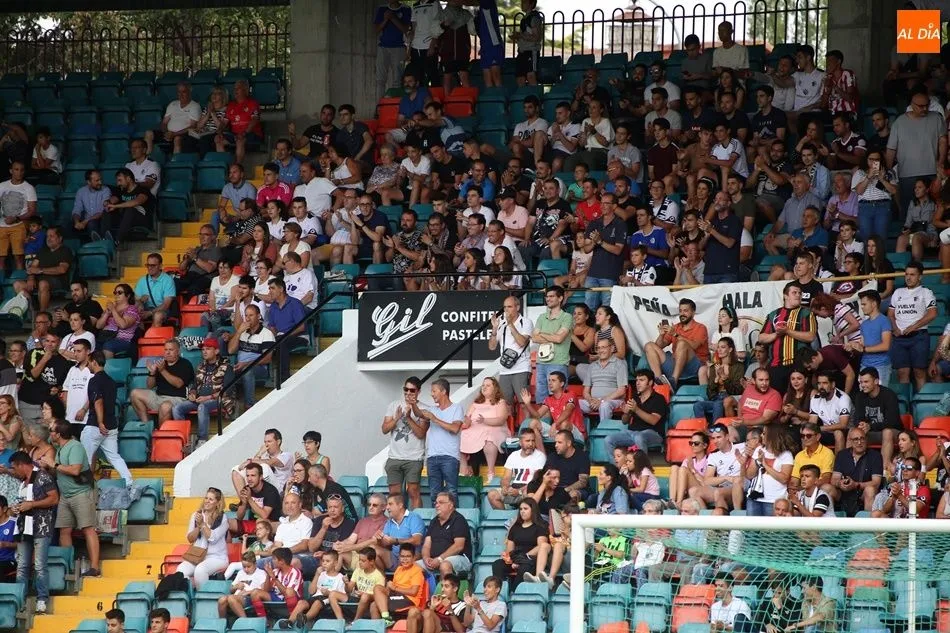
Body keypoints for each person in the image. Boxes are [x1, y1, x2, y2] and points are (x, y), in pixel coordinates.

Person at [886, 87, 946, 221]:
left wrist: (940, 163)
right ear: (911, 104)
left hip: (931, 172)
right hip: (907, 174)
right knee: (908, 212)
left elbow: (943, 141)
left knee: (932, 212)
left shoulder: (937, 118)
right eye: (920, 106)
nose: (924, 109)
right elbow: (891, 149)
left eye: (927, 105)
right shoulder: (899, 122)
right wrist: (888, 172)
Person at [10, 450, 57, 613]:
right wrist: (17, 508)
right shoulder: (23, 482)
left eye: (14, 468)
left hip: (41, 527)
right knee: (22, 565)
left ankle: (42, 599)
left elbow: (54, 498)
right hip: (24, 527)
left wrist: (32, 504)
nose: (13, 472)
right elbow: (23, 502)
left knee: (39, 565)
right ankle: (19, 601)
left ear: (22, 465)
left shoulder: (43, 476)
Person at [51, 419, 100, 576]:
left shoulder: (75, 446)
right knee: (64, 530)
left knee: (88, 528)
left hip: (81, 493)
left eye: (52, 431)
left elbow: (75, 470)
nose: (50, 433)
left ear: (58, 434)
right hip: (65, 496)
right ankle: (69, 567)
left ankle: (94, 567)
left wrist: (54, 465)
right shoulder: (60, 447)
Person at [82, 351, 133, 485]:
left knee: (85, 458)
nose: (87, 366)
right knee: (114, 457)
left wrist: (100, 422)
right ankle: (129, 481)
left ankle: (86, 486)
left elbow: (98, 401)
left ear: (94, 362)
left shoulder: (94, 380)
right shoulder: (111, 381)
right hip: (111, 425)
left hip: (95, 425)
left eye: (88, 363)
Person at [408, 378, 463, 505]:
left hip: (450, 457)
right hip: (432, 457)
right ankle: (437, 517)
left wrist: (435, 419)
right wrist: (413, 404)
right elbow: (419, 414)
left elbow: (455, 429)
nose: (431, 394)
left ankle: (454, 517)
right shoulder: (432, 409)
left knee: (451, 492)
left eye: (434, 391)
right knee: (434, 494)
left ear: (443, 391)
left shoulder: (456, 408)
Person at [171, 338, 233, 446]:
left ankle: (202, 440)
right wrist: (193, 393)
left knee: (202, 407)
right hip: (199, 399)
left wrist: (208, 397)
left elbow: (227, 390)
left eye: (208, 349)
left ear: (216, 351)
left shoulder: (226, 367)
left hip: (218, 400)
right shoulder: (200, 367)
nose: (204, 351)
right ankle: (184, 440)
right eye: (203, 349)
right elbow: (195, 385)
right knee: (176, 408)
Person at [759, 283, 817, 392]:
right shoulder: (773, 314)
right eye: (794, 292)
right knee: (777, 398)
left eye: (800, 293)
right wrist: (777, 334)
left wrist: (787, 331)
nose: (798, 295)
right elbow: (761, 338)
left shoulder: (806, 313)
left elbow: (811, 336)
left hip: (798, 366)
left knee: (797, 397)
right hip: (776, 366)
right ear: (785, 296)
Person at [888, 262, 937, 390]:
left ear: (920, 276)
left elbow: (932, 313)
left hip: (919, 336)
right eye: (906, 274)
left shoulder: (926, 292)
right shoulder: (898, 292)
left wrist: (913, 327)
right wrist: (895, 328)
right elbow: (890, 314)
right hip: (899, 338)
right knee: (902, 372)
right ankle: (905, 402)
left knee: (919, 372)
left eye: (912, 275)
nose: (908, 278)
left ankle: (920, 401)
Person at [644, 299, 710, 389]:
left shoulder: (701, 327)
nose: (682, 314)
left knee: (682, 343)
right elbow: (658, 346)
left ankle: (673, 381)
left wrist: (675, 334)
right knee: (649, 345)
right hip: (676, 364)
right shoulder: (676, 327)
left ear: (693, 312)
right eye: (680, 311)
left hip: (694, 367)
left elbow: (694, 346)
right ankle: (659, 382)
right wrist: (661, 335)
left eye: (685, 311)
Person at [129, 340, 195, 426]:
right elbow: (150, 386)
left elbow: (179, 384)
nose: (167, 352)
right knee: (134, 393)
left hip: (177, 399)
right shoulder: (161, 363)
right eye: (166, 350)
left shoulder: (185, 364)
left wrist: (162, 370)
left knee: (165, 406)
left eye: (171, 350)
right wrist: (152, 373)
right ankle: (147, 425)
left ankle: (161, 432)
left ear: (178, 351)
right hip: (159, 397)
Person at [604, 369, 669, 454]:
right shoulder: (635, 398)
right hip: (632, 432)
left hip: (653, 433)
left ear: (650, 383)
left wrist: (636, 409)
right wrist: (626, 413)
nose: (638, 383)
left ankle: (641, 462)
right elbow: (624, 421)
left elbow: (653, 420)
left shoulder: (659, 398)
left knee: (639, 437)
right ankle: (616, 463)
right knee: (609, 439)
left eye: (641, 380)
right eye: (637, 380)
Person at [492, 497, 550, 588]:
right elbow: (510, 549)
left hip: (531, 559)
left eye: (525, 509)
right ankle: (501, 591)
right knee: (497, 564)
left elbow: (541, 546)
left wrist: (522, 559)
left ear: (533, 510)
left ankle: (515, 592)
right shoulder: (515, 527)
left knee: (525, 567)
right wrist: (511, 560)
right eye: (521, 509)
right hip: (516, 557)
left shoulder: (541, 526)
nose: (522, 511)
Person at [459, 377, 509, 482]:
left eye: (488, 385)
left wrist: (485, 420)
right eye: (483, 385)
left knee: (489, 439)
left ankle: (491, 472)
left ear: (495, 388)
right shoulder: (475, 403)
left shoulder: (500, 402)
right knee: (460, 436)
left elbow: (501, 420)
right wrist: (465, 420)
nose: (484, 387)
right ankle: (464, 469)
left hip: (495, 428)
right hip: (475, 429)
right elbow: (468, 418)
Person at [688, 423, 744, 514]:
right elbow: (707, 480)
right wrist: (726, 478)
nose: (715, 441)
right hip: (723, 486)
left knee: (719, 492)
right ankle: (706, 517)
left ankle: (730, 517)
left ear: (727, 437)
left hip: (739, 485)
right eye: (713, 438)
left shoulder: (742, 447)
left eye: (718, 437)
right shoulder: (713, 455)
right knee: (693, 491)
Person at [179, 487, 229, 588]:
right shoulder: (196, 515)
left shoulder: (222, 518)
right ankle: (191, 592)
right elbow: (190, 539)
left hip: (217, 557)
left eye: (211, 499)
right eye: (206, 498)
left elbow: (213, 539)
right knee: (180, 572)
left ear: (218, 503)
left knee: (200, 570)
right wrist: (198, 527)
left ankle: (202, 596)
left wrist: (203, 524)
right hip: (197, 556)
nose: (207, 501)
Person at [487, 427, 546, 511]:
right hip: (514, 488)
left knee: (530, 496)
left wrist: (519, 491)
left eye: (533, 441)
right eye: (527, 441)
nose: (531, 444)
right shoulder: (513, 455)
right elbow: (506, 477)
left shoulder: (540, 456)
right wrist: (505, 487)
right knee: (492, 495)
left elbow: (536, 481)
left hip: (529, 489)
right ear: (520, 442)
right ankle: (505, 517)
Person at [532, 286, 573, 403]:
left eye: (551, 296)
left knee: (559, 400)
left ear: (560, 298)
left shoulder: (567, 317)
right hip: (541, 362)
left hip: (558, 362)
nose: (548, 299)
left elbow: (559, 339)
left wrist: (542, 334)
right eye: (547, 296)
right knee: (541, 399)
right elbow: (534, 338)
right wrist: (552, 336)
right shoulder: (541, 317)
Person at [519, 371, 585, 444]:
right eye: (549, 380)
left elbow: (567, 411)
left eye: (553, 380)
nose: (550, 383)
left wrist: (555, 424)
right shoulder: (548, 400)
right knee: (534, 423)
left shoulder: (570, 394)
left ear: (561, 384)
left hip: (575, 433)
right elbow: (537, 416)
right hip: (557, 431)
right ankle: (541, 451)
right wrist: (528, 404)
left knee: (564, 424)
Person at [19, 333, 70, 425]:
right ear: (43, 342)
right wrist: (45, 358)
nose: (49, 344)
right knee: (28, 432)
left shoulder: (63, 362)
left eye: (53, 342)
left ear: (59, 343)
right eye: (47, 341)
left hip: (47, 406)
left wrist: (57, 389)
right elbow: (32, 375)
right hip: (28, 403)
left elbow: (61, 385)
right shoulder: (34, 353)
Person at [372, 543, 427, 627]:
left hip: (409, 599)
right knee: (376, 592)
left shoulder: (417, 571)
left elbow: (413, 592)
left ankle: (386, 620)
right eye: (402, 556)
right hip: (397, 596)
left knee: (376, 605)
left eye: (408, 556)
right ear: (399, 557)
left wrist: (394, 588)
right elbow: (391, 590)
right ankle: (382, 625)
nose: (405, 559)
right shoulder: (398, 569)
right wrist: (387, 589)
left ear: (414, 557)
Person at [694, 337, 744, 423]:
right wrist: (716, 380)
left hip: (729, 397)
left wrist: (723, 376)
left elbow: (737, 390)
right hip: (716, 398)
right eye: (718, 347)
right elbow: (710, 393)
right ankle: (703, 428)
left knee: (717, 404)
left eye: (723, 347)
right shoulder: (714, 367)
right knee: (697, 405)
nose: (719, 350)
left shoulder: (738, 366)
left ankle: (716, 428)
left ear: (730, 349)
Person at [227, 461, 282, 537]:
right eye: (247, 476)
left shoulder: (270, 491)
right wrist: (243, 503)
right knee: (227, 523)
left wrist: (250, 499)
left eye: (253, 475)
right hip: (253, 524)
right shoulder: (247, 489)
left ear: (261, 477)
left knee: (260, 521)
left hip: (270, 524)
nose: (249, 479)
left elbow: (264, 515)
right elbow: (239, 517)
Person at [0, 161, 37, 272]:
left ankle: (19, 279)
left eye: (22, 170)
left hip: (19, 225)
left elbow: (32, 211)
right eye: (16, 169)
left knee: (19, 257)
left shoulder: (29, 188)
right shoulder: (2, 186)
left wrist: (16, 218)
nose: (19, 172)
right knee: (1, 258)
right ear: (11, 171)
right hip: (1, 226)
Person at [579, 338, 628, 422]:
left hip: (613, 400)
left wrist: (601, 400)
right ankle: (579, 429)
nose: (600, 350)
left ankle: (603, 429)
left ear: (612, 348)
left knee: (604, 405)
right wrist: (591, 400)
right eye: (598, 348)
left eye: (603, 347)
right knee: (574, 404)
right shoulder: (592, 366)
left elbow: (621, 391)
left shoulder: (620, 365)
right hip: (593, 401)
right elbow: (586, 391)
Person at [808, 370, 852, 453]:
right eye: (819, 383)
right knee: (807, 434)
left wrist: (820, 428)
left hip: (846, 432)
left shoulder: (843, 398)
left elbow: (843, 425)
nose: (821, 387)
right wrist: (810, 431)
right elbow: (812, 423)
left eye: (825, 383)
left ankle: (839, 461)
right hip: (826, 432)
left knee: (838, 433)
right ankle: (808, 460)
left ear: (833, 384)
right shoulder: (815, 399)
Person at [790, 421, 835, 495]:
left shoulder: (827, 453)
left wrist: (808, 487)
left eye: (808, 436)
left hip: (818, 488)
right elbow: (795, 479)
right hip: (802, 490)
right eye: (802, 436)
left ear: (818, 437)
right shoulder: (799, 455)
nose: (805, 438)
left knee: (827, 488)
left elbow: (826, 478)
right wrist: (793, 488)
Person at [670, 431, 709, 509]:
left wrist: (692, 469)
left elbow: (706, 483)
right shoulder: (689, 460)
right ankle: (672, 501)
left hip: (702, 490)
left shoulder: (709, 460)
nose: (693, 445)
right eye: (691, 443)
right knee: (674, 467)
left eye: (696, 443)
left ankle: (679, 502)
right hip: (687, 490)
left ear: (705, 445)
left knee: (683, 470)